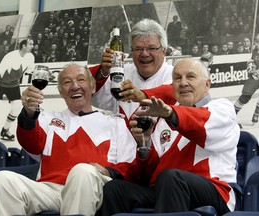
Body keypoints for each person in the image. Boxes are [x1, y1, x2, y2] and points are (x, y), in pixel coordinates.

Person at [0, 63, 138, 216]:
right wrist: (28, 113)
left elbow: (131, 163)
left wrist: (109, 171)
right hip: (50, 189)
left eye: (81, 80)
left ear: (93, 88)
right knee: (0, 180)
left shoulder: (114, 122)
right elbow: (31, 144)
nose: (74, 86)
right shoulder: (48, 118)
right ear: (61, 92)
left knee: (82, 171)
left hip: (92, 186)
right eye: (67, 82)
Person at [101, 58, 240, 215]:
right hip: (166, 188)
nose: (183, 83)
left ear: (207, 85)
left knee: (172, 178)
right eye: (178, 78)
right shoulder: (164, 120)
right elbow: (151, 174)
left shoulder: (221, 108)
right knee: (114, 190)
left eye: (190, 77)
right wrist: (145, 143)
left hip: (214, 188)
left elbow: (200, 123)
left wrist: (170, 113)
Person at [90, 18, 173, 125]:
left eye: (151, 48)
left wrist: (141, 95)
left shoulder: (175, 75)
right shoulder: (122, 72)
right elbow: (96, 98)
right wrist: (103, 72)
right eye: (138, 49)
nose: (144, 54)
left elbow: (172, 95)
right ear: (131, 51)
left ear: (164, 50)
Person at [0, 38, 35, 140]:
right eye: (30, 44)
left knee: (17, 107)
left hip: (13, 85)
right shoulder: (11, 56)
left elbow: (30, 73)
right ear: (23, 46)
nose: (32, 46)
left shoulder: (30, 57)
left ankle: (5, 131)